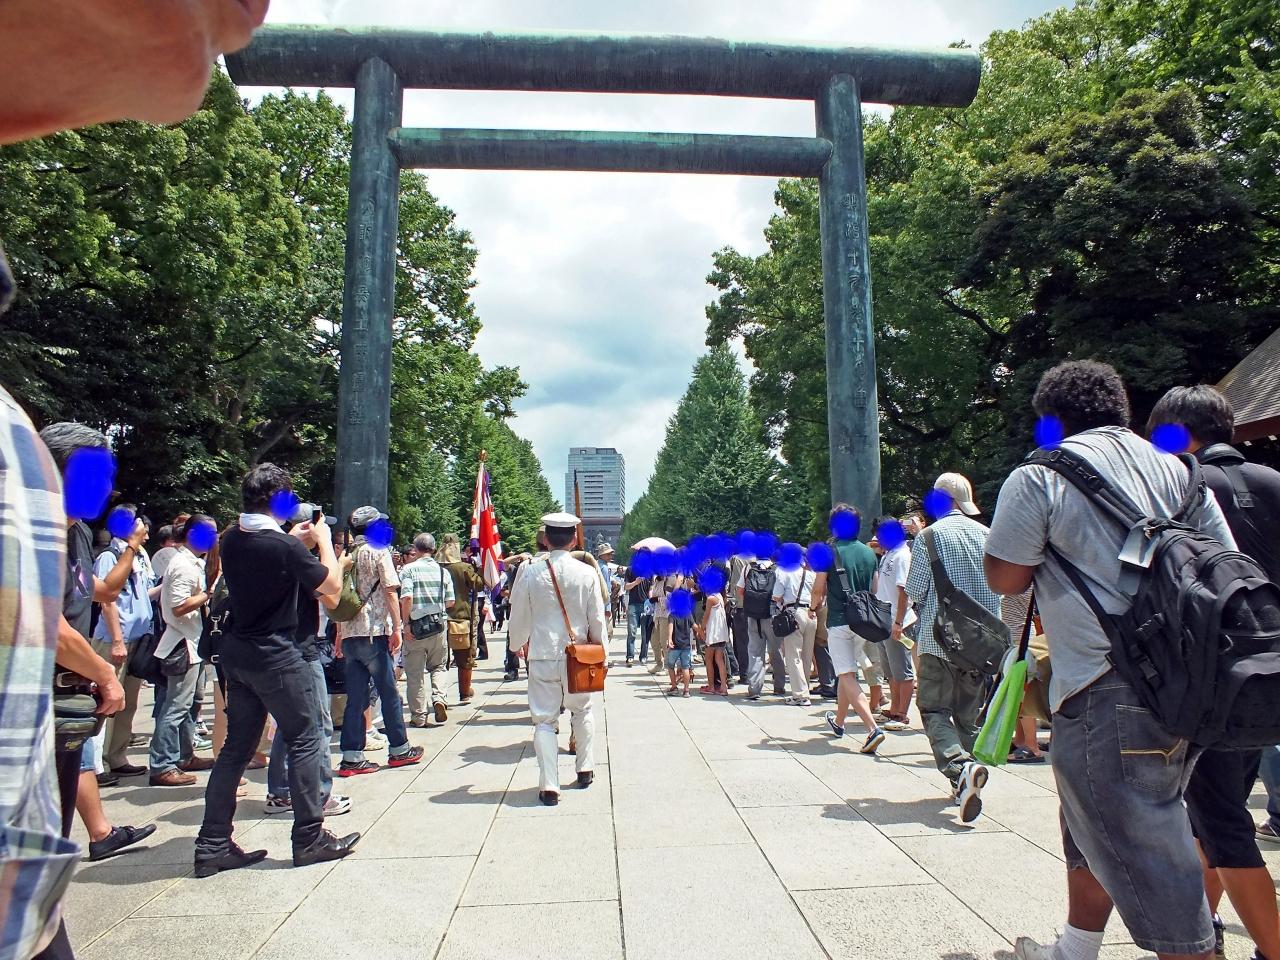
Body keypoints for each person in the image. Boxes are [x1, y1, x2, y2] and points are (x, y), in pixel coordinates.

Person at [985, 360, 1235, 960]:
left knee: (1148, 845)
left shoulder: (1041, 475)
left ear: (1053, 421)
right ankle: (1075, 948)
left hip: (1106, 684)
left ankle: (1193, 950)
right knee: (1096, 818)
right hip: (1190, 684)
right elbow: (1224, 561)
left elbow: (1007, 577)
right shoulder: (1182, 473)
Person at [1147, 384, 1280, 960]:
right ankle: (1205, 929)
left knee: (1223, 821)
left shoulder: (1183, 488)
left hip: (1213, 679)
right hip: (1272, 671)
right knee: (1213, 813)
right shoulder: (1273, 482)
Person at [196, 463, 357, 876]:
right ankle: (309, 838)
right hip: (279, 655)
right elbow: (332, 588)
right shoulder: (285, 548)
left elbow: (266, 554)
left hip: (239, 654)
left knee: (236, 748)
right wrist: (324, 543)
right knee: (305, 740)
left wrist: (294, 540)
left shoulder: (231, 539)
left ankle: (212, 844)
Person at [40, 423, 157, 865]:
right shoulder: (27, 529)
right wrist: (104, 671)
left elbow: (101, 591)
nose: (105, 488)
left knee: (51, 833)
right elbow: (44, 622)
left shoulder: (78, 534)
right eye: (93, 475)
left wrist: (131, 549)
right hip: (27, 700)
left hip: (64, 700)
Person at [905, 472, 1000, 822]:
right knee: (967, 716)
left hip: (939, 638)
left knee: (934, 709)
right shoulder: (988, 534)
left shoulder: (929, 536)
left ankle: (960, 769)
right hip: (981, 642)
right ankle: (967, 781)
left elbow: (915, 590)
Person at [507, 512, 607, 806]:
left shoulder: (530, 572)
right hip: (579, 654)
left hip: (542, 653)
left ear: (546, 540)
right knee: (583, 710)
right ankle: (585, 768)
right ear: (574, 539)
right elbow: (596, 619)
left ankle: (550, 785)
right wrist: (601, 652)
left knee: (544, 721)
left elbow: (518, 614)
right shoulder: (586, 572)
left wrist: (516, 643)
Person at [336, 506, 423, 777]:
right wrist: (398, 626)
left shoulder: (347, 554)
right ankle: (399, 749)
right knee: (388, 692)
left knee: (355, 698)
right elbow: (390, 590)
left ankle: (351, 757)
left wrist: (339, 634)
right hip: (374, 632)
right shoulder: (378, 550)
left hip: (350, 633)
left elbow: (339, 596)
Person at [148, 515, 218, 786]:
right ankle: (162, 764)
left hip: (193, 643)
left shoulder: (191, 562)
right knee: (176, 706)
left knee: (191, 704)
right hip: (182, 644)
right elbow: (178, 607)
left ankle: (185, 755)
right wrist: (208, 594)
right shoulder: (182, 565)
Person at [90, 506, 158, 779]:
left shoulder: (137, 556)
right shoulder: (110, 556)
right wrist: (117, 640)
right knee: (106, 701)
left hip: (137, 638)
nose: (146, 533)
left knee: (127, 704)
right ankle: (95, 764)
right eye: (140, 527)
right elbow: (107, 601)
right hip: (114, 640)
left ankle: (116, 756)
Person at [809, 505, 884, 754]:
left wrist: (813, 607)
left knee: (847, 675)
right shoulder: (869, 553)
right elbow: (874, 589)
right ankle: (839, 722)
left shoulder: (829, 552)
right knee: (847, 672)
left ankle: (872, 728)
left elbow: (818, 588)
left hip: (840, 621)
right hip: (863, 621)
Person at [398, 533, 455, 728]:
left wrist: (406, 623)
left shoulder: (408, 570)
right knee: (439, 667)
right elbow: (450, 601)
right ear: (433, 548)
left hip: (415, 628)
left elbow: (406, 597)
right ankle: (439, 698)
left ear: (415, 549)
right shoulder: (443, 572)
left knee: (415, 674)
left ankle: (419, 716)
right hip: (438, 626)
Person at [871, 518, 916, 731]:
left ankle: (902, 714)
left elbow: (903, 591)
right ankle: (895, 707)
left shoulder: (902, 556)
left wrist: (898, 622)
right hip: (884, 619)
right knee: (890, 670)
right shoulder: (889, 554)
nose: (878, 540)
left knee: (902, 670)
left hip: (897, 621)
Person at [441, 533, 485, 704]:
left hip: (437, 619)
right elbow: (478, 585)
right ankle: (465, 692)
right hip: (460, 617)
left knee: (439, 663)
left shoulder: (435, 566)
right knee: (464, 657)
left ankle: (440, 696)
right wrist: (479, 567)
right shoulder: (464, 568)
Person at [771, 551, 814, 707]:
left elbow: (776, 596)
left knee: (793, 656)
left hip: (793, 613)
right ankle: (804, 689)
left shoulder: (783, 572)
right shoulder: (810, 574)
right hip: (811, 613)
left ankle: (800, 695)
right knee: (807, 656)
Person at [698, 573, 731, 695]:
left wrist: (701, 629)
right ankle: (723, 687)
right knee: (719, 660)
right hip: (721, 634)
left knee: (708, 659)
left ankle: (711, 686)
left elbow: (706, 617)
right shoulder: (720, 596)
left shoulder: (710, 599)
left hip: (713, 634)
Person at [624, 558, 649, 667]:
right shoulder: (630, 570)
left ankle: (643, 656)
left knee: (645, 634)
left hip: (645, 605)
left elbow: (651, 588)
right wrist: (635, 582)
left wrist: (650, 602)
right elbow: (626, 586)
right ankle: (630, 656)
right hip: (633, 605)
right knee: (632, 633)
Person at [667, 611, 695, 697]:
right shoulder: (688, 614)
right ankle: (686, 690)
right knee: (686, 668)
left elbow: (670, 626)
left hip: (675, 646)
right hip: (686, 646)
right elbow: (694, 626)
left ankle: (674, 687)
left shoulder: (672, 615)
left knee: (670, 666)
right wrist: (702, 634)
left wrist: (669, 639)